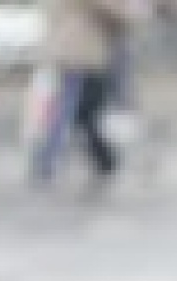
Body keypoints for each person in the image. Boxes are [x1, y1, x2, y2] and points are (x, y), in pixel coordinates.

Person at [33, 0, 141, 188]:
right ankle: (49, 161)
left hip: (71, 52)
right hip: (81, 55)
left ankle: (103, 159)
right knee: (71, 111)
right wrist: (132, 15)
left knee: (83, 111)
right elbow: (115, 12)